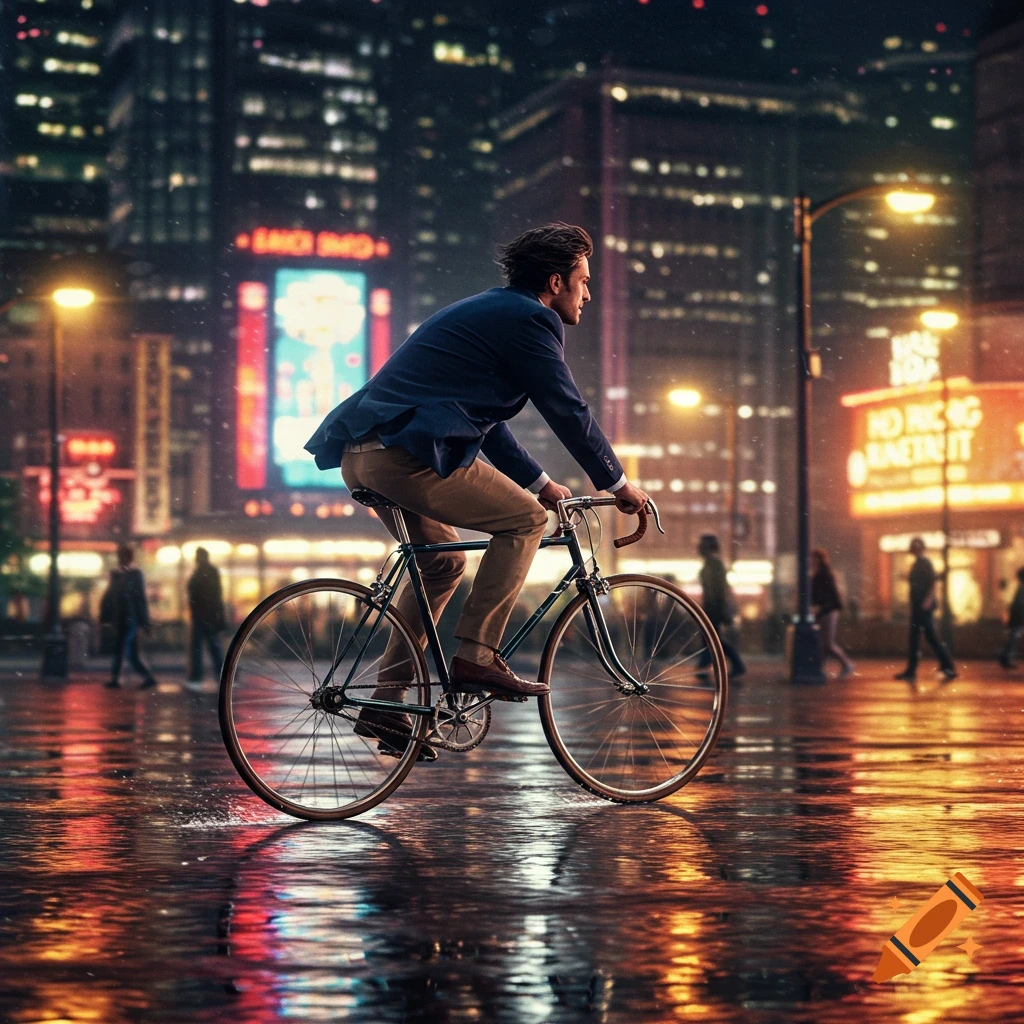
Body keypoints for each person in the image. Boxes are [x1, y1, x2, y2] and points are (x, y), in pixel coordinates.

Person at [304, 223, 649, 753]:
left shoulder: (495, 312)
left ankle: (387, 699)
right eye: (583, 280)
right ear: (555, 282)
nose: (588, 292)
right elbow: (566, 409)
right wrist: (619, 483)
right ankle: (477, 656)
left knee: (442, 564)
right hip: (404, 454)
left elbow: (488, 426)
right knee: (526, 523)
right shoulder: (532, 320)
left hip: (365, 454)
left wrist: (540, 482)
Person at [894, 536, 957, 682]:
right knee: (920, 638)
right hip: (919, 606)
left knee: (927, 637)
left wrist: (928, 600)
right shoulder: (919, 562)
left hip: (923, 607)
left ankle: (946, 666)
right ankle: (941, 667)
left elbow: (933, 581)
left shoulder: (924, 562)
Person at [100, 543, 158, 690]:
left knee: (124, 649)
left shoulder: (135, 575)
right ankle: (142, 677)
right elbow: (110, 596)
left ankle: (122, 678)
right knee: (124, 651)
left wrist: (145, 623)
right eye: (119, 556)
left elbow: (140, 600)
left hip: (130, 619)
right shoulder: (116, 574)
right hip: (119, 619)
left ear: (128, 557)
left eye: (121, 556)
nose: (119, 559)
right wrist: (105, 616)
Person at [695, 534, 746, 681]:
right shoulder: (710, 563)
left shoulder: (715, 563)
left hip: (714, 607)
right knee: (712, 638)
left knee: (711, 638)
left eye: (703, 545)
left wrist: (722, 608)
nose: (699, 548)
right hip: (711, 606)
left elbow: (720, 589)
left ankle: (704, 667)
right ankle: (707, 667)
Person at [811, 548, 855, 679]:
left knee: (828, 643)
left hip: (828, 611)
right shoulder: (820, 573)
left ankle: (846, 663)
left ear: (819, 559)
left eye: (813, 558)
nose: (811, 561)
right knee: (823, 643)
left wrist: (820, 606)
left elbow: (829, 595)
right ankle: (820, 668)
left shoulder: (823, 574)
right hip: (825, 611)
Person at [187, 546, 225, 682]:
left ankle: (198, 677)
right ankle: (220, 674)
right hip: (206, 616)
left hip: (205, 616)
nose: (196, 559)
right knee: (212, 647)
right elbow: (216, 595)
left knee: (203, 648)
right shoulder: (206, 572)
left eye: (198, 556)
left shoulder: (204, 573)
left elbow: (214, 595)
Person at [998, 566, 1024, 669]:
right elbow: (1018, 606)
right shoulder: (1021, 589)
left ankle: (1005, 658)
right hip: (1018, 619)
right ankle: (1005, 658)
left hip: (1016, 619)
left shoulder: (1019, 588)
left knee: (1013, 639)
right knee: (1013, 639)